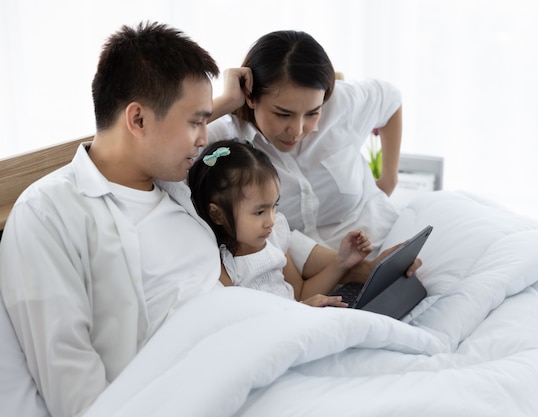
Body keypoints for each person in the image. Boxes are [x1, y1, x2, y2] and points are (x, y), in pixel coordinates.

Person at [0, 22, 222, 417]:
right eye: (196, 122)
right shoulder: (48, 214)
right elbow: (73, 384)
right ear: (137, 120)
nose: (205, 137)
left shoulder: (180, 187)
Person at [206, 30, 404, 258]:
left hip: (386, 241)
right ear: (250, 96)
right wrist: (226, 101)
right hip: (320, 277)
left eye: (312, 113)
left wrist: (389, 179)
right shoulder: (228, 136)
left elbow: (391, 99)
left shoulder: (340, 103)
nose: (297, 131)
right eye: (283, 114)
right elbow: (162, 146)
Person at [188, 140, 373, 307]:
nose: (271, 221)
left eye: (274, 206)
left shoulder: (275, 237)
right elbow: (247, 323)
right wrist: (302, 310)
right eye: (259, 212)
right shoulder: (222, 265)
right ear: (218, 214)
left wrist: (341, 262)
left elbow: (300, 293)